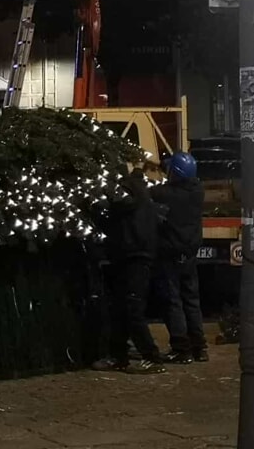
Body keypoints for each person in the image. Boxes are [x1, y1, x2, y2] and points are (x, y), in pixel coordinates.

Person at [92, 169, 165, 374]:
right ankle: (119, 356)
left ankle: (151, 357)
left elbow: (117, 208)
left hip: (135, 257)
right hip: (130, 256)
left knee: (132, 309)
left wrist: (98, 206)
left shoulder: (127, 194)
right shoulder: (139, 193)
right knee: (120, 309)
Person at [153, 152, 207, 364]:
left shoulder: (166, 194)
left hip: (171, 255)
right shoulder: (197, 191)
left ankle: (181, 348)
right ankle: (199, 347)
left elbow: (153, 192)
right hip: (190, 255)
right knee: (192, 300)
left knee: (173, 301)